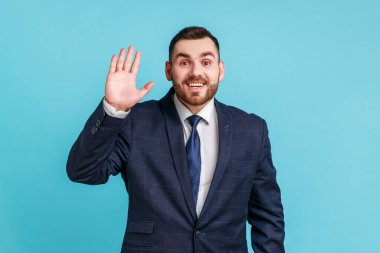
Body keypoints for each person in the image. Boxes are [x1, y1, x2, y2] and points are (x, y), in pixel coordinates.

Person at [67, 26, 285, 253]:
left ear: (221, 70)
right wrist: (114, 109)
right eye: (184, 63)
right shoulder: (135, 122)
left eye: (206, 62)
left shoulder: (251, 130)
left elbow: (268, 216)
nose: (195, 72)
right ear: (169, 71)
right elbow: (82, 171)